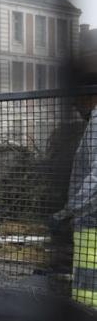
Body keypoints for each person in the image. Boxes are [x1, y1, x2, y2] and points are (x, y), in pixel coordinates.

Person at [51, 95, 97, 308]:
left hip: (91, 222)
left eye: (78, 100)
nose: (75, 106)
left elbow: (95, 178)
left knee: (89, 288)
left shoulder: (96, 122)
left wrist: (69, 211)